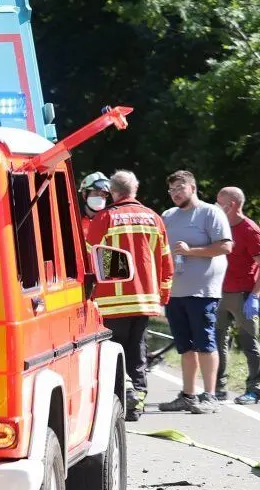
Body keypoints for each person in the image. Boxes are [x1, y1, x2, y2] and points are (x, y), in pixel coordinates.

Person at [84, 170, 173, 421]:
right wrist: (162, 296)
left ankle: (120, 400)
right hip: (145, 300)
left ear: (113, 192)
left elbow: (91, 259)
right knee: (138, 351)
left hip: (113, 301)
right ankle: (137, 402)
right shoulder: (154, 218)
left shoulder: (105, 218)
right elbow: (166, 261)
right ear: (135, 190)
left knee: (113, 352)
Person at [158, 171, 232, 413]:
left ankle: (210, 396)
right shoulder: (168, 216)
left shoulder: (210, 212)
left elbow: (225, 246)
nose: (175, 194)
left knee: (205, 344)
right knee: (185, 347)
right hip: (175, 292)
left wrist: (190, 251)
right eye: (171, 191)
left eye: (180, 188)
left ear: (192, 187)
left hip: (202, 292)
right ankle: (188, 395)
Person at [214, 187, 260, 404]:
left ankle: (255, 389)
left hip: (243, 295)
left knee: (249, 343)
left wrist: (254, 296)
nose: (215, 206)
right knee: (217, 342)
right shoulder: (219, 227)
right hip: (218, 293)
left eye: (219, 202)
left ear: (231, 205)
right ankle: (218, 388)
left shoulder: (250, 230)